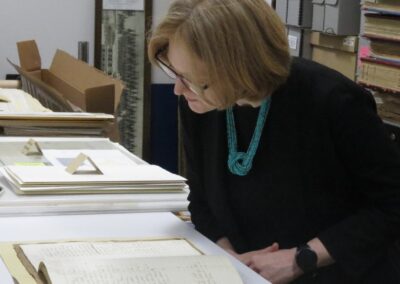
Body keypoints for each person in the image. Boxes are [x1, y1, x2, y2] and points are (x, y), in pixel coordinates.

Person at [147, 0, 400, 283]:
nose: (178, 89)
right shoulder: (199, 102)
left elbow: (390, 206)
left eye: (191, 79)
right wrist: (228, 255)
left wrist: (302, 258)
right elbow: (201, 199)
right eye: (175, 72)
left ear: (238, 68)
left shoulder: (333, 101)